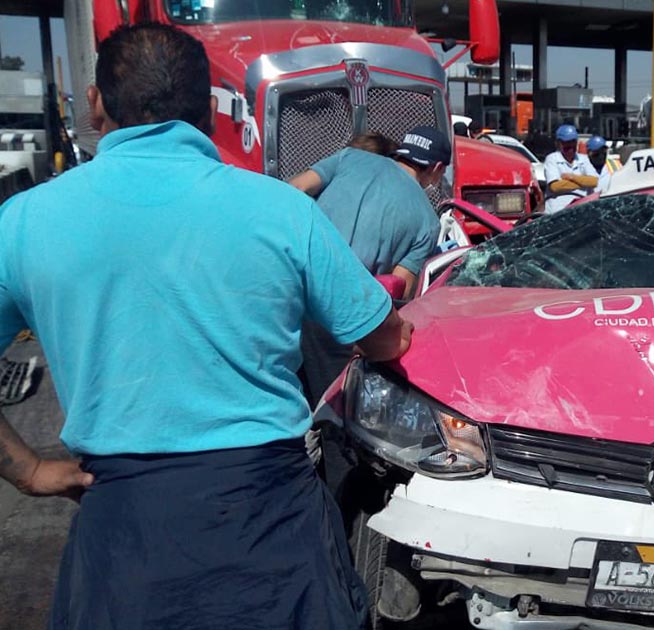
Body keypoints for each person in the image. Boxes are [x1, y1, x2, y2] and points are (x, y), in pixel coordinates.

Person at [0, 23, 411, 630]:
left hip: (124, 526)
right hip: (270, 520)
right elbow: (382, 336)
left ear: (95, 103)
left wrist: (30, 470)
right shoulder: (281, 210)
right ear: (213, 111)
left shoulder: (25, 221)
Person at [289, 126, 447, 404]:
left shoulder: (349, 157)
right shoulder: (428, 222)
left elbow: (295, 189)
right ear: (436, 168)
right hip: (339, 320)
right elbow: (397, 288)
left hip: (290, 291)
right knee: (332, 417)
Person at [544, 124, 599, 214]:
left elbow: (594, 182)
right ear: (558, 143)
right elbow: (555, 187)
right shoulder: (552, 159)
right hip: (557, 213)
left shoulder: (583, 159)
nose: (570, 145)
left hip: (581, 212)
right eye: (566, 142)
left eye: (573, 142)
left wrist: (572, 177)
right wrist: (584, 182)